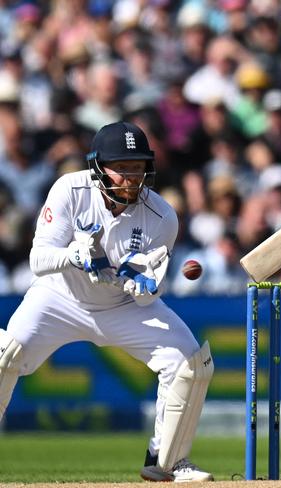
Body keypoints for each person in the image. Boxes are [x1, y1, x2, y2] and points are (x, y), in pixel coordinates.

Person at [0, 121, 214, 482]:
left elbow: (150, 288)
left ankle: (167, 461)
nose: (132, 178)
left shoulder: (163, 216)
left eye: (138, 167)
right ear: (98, 166)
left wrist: (146, 287)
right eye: (122, 168)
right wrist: (74, 254)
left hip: (122, 306)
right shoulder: (70, 189)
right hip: (59, 297)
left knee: (189, 363)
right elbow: (38, 259)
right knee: (6, 355)